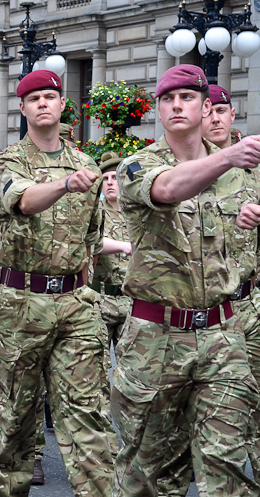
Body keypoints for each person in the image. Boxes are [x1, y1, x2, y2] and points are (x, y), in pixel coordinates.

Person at [113, 64, 260, 495]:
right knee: (151, 473)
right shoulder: (137, 166)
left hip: (223, 335)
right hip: (155, 339)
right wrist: (227, 156)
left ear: (206, 106)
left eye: (187, 98)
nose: (177, 106)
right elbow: (168, 190)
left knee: (226, 464)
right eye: (167, 100)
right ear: (158, 111)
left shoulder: (241, 175)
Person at [0, 70, 115, 496]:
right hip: (21, 304)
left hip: (76, 303)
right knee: (16, 418)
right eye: (34, 98)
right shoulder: (9, 161)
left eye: (51, 96)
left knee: (88, 415)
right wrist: (62, 185)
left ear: (63, 106)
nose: (43, 103)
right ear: (22, 108)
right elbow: (22, 200)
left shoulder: (88, 165)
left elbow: (93, 238)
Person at [153, 82, 260, 495]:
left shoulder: (250, 170)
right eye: (209, 110)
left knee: (240, 421)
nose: (214, 118)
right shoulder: (160, 164)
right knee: (167, 451)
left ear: (230, 115)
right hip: (184, 319)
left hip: (246, 306)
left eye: (220, 110)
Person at [90, 152, 131, 350]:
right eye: (105, 179)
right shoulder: (95, 210)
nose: (110, 183)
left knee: (130, 367)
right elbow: (94, 241)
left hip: (131, 300)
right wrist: (123, 245)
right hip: (101, 299)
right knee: (97, 366)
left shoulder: (135, 212)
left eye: (115, 177)